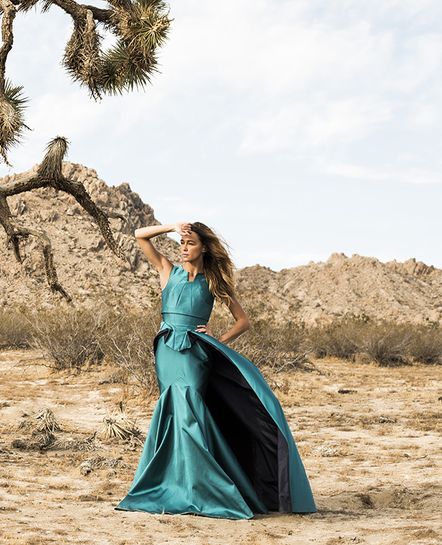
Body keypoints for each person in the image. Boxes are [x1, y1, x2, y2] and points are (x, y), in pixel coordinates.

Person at [116, 222, 316, 519]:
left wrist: (216, 340)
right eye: (181, 242)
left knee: (190, 411)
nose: (183, 247)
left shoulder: (212, 280)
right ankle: (175, 484)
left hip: (196, 353)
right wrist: (172, 226)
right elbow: (139, 235)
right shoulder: (167, 271)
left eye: (190, 243)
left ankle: (200, 487)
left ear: (203, 248)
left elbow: (243, 321)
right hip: (168, 350)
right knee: (173, 408)